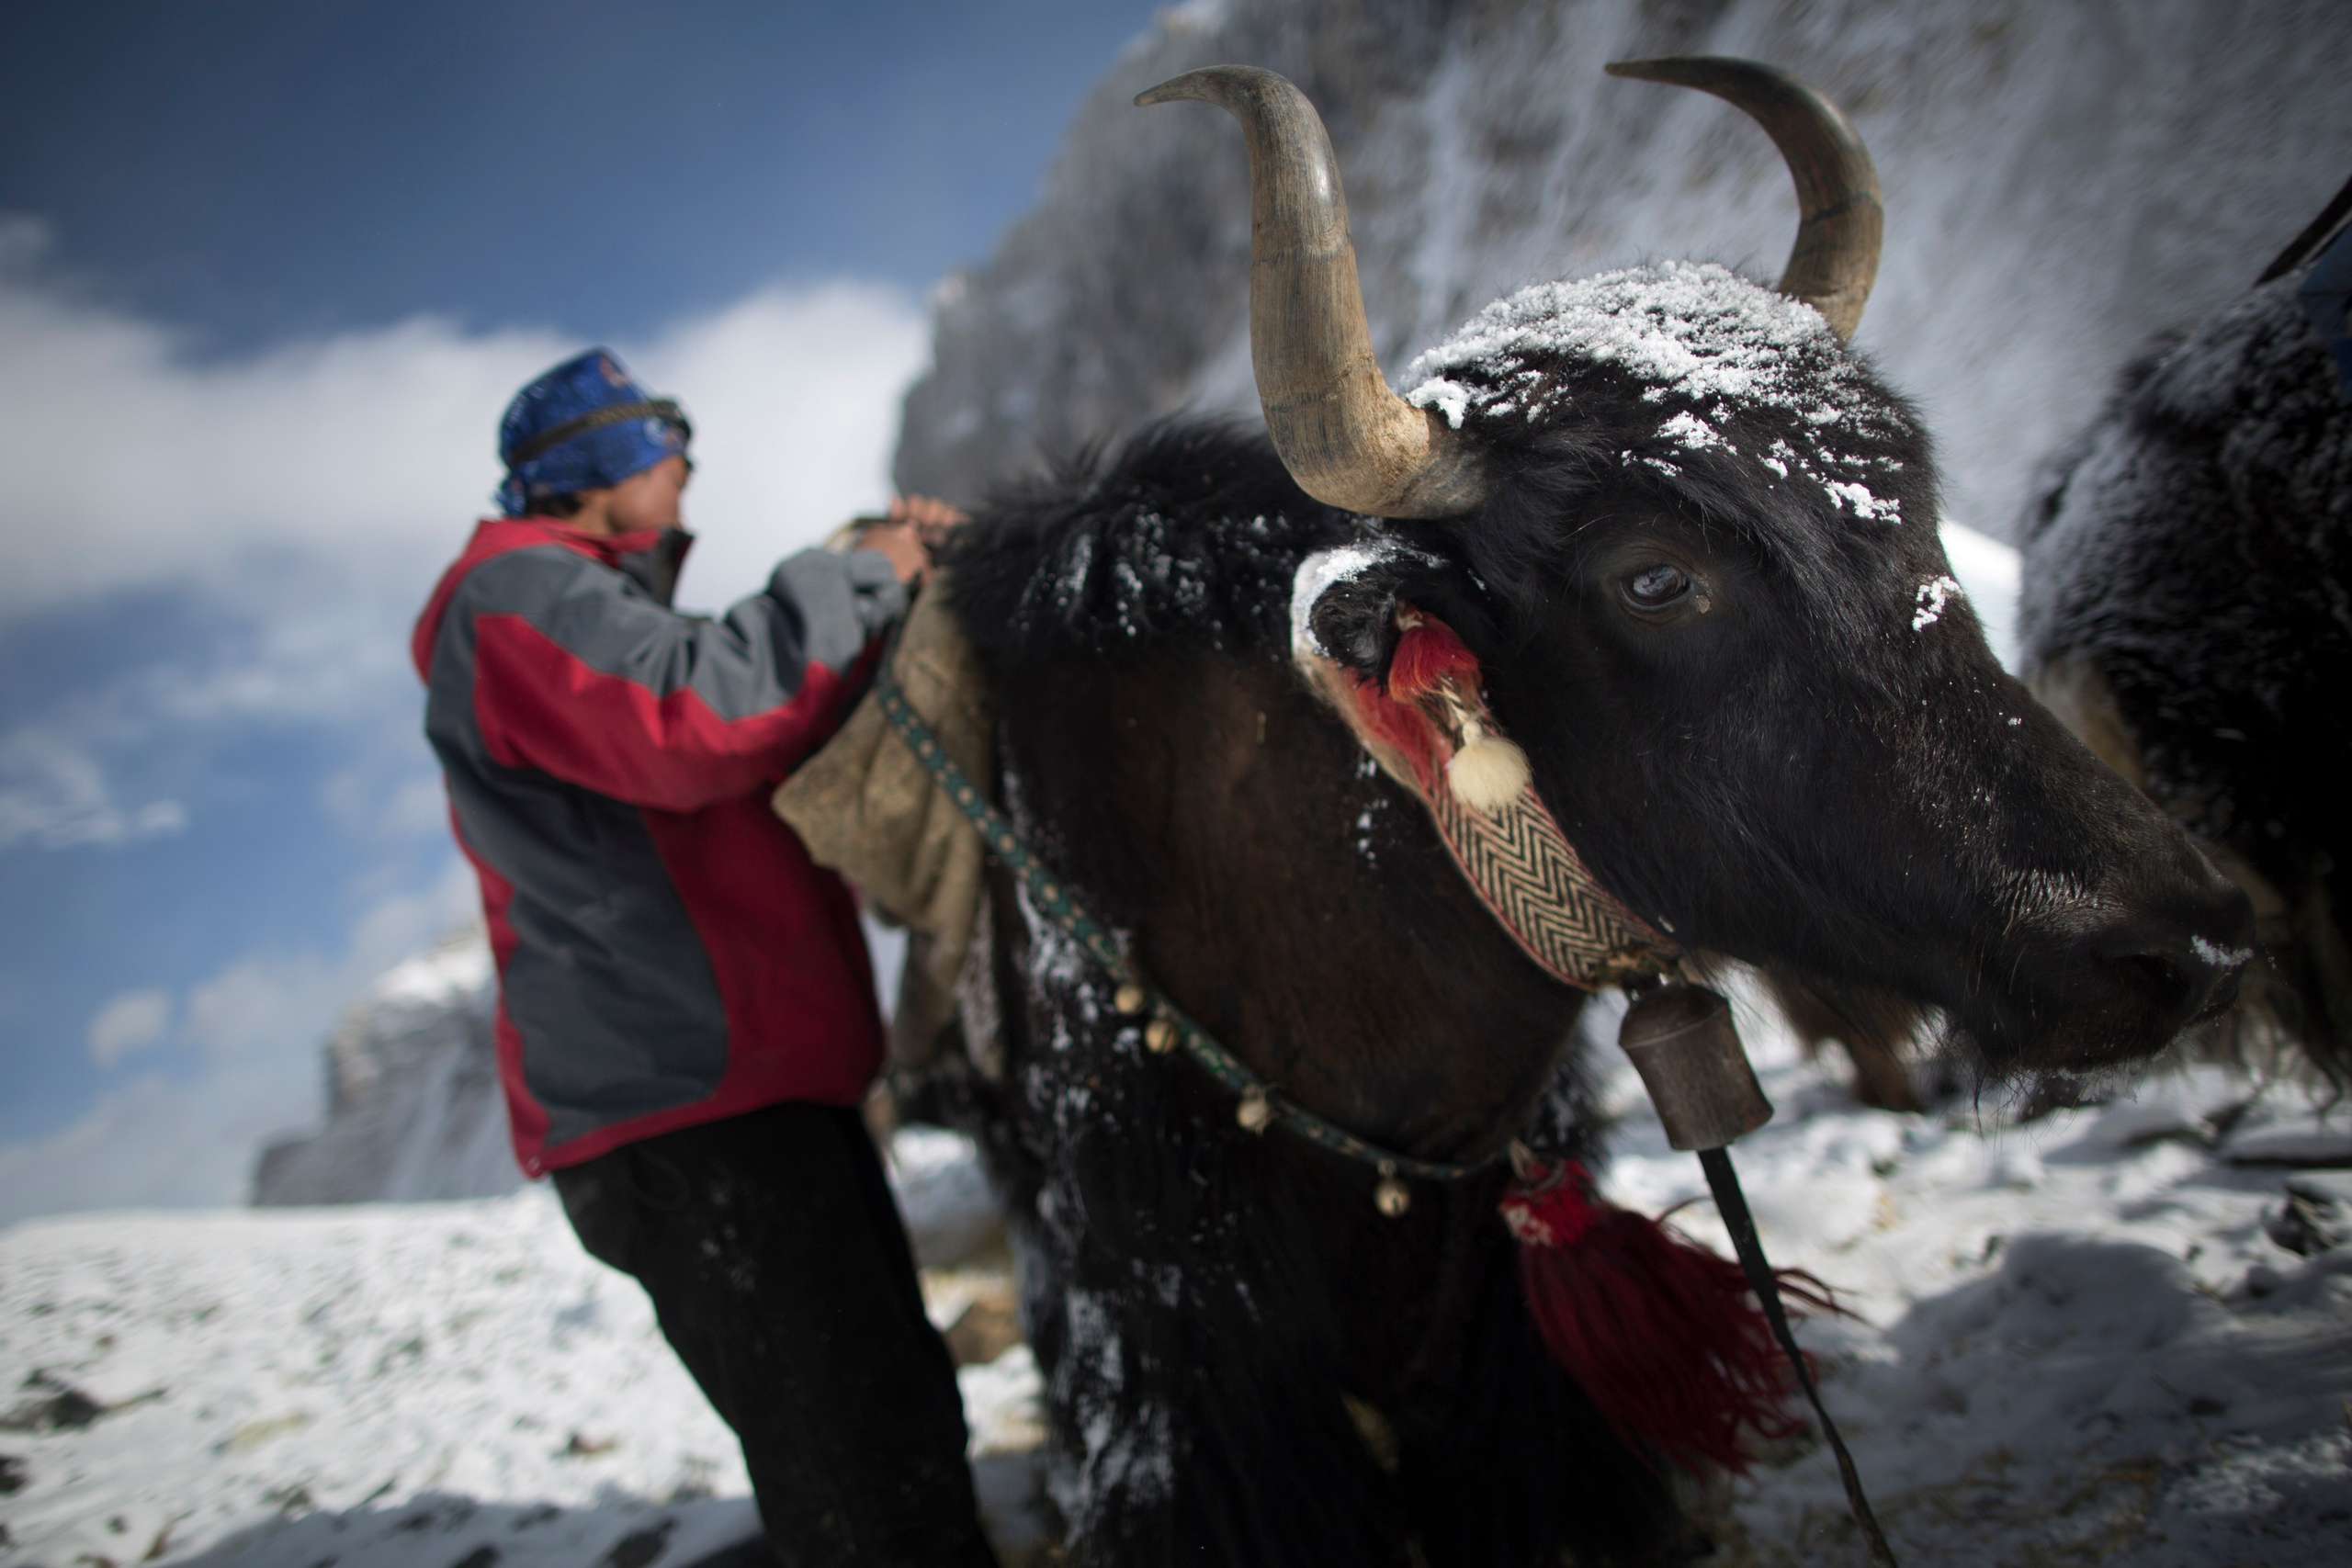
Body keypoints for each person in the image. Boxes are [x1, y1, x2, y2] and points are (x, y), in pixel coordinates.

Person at [413, 349, 994, 1566]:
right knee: (856, 1472)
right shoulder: (513, 593)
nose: (687, 474)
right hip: (691, 1113)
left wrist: (874, 584)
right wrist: (860, 572)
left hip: (744, 1095)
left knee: (892, 1423)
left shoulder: (582, 607)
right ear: (607, 466)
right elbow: (700, 720)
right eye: (667, 445)